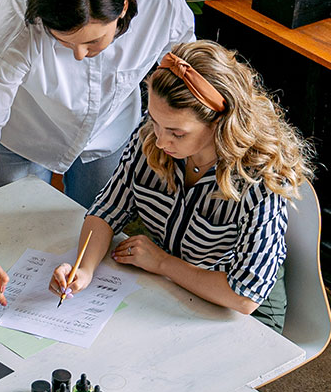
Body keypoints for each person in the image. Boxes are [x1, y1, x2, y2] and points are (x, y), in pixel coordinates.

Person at [0, 0, 195, 309]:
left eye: (93, 42)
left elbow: (188, 78)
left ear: (123, 9)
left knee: (84, 257)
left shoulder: (161, 0)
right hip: (23, 135)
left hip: (108, 138)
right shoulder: (18, 17)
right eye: (64, 43)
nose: (79, 54)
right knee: (8, 252)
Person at [48, 40, 315, 332]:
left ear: (220, 123)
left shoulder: (260, 180)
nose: (161, 142)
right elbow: (107, 209)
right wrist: (83, 270)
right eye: (155, 121)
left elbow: (245, 295)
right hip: (178, 289)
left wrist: (162, 263)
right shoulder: (150, 138)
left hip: (241, 312)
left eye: (177, 132)